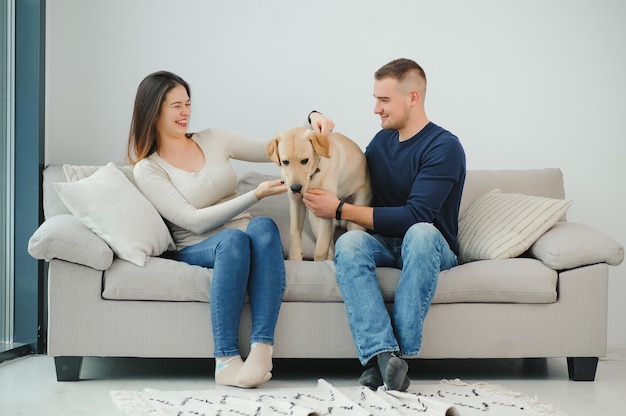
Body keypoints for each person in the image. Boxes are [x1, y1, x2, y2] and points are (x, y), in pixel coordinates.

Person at [303, 58, 466, 391]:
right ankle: (384, 356)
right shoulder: (380, 144)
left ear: (413, 98)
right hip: (384, 243)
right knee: (348, 243)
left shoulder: (444, 147)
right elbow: (341, 161)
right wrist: (314, 118)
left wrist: (339, 210)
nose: (375, 108)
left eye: (384, 100)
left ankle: (393, 360)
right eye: (375, 98)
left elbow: (415, 216)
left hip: (431, 248)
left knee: (420, 232)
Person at [126, 71, 288, 388]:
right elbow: (193, 220)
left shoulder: (213, 138)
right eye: (176, 105)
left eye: (187, 103)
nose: (185, 112)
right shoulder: (149, 168)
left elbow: (273, 148)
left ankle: (262, 349)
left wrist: (312, 122)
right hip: (200, 244)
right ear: (153, 110)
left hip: (242, 237)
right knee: (233, 240)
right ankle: (226, 359)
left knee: (264, 226)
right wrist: (255, 194)